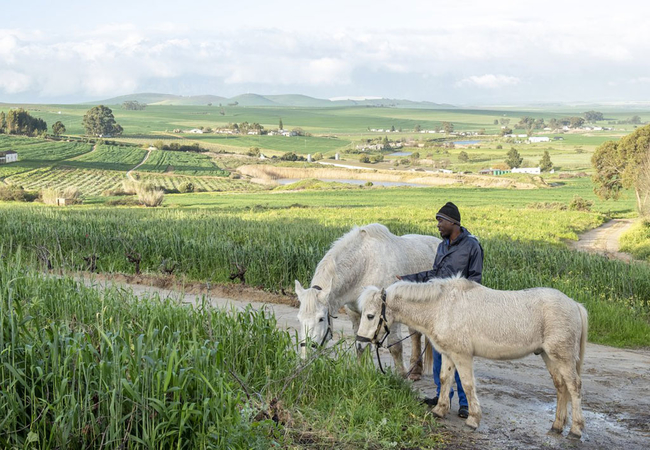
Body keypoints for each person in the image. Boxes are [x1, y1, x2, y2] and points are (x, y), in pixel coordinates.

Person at [397, 202, 483, 419]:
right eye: (438, 221)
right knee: (438, 356)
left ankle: (465, 404)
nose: (438, 225)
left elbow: (475, 280)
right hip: (440, 310)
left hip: (460, 310)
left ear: (453, 222)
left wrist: (459, 301)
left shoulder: (472, 245)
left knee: (460, 358)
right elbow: (434, 274)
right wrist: (407, 280)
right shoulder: (442, 246)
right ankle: (441, 396)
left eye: (441, 221)